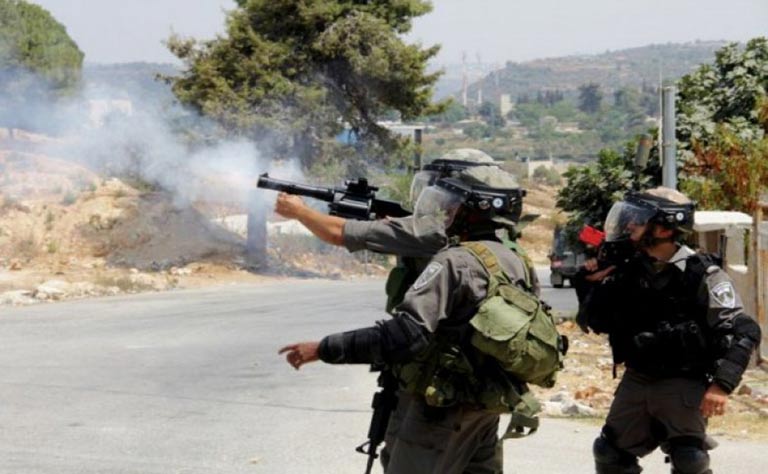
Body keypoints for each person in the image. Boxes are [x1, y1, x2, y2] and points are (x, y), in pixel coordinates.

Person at [279, 166, 556, 474]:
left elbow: (404, 336)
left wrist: (324, 348)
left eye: (456, 204)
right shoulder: (517, 260)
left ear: (476, 212)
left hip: (439, 410)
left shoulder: (454, 261)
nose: (448, 210)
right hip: (484, 407)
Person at [579, 187, 761, 474]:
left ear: (664, 229)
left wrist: (721, 386)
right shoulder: (629, 269)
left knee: (689, 459)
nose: (629, 226)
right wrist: (590, 283)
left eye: (638, 220)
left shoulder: (703, 274)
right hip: (637, 379)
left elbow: (745, 331)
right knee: (609, 453)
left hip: (683, 382)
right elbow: (598, 322)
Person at [273, 148, 539, 311]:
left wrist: (299, 211)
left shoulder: (434, 234)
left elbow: (338, 233)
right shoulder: (503, 238)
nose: (442, 200)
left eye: (448, 192)